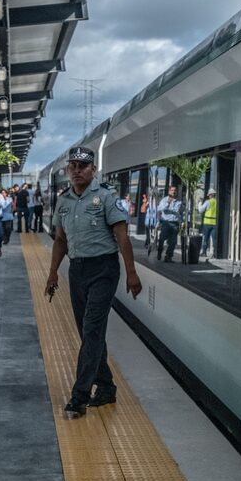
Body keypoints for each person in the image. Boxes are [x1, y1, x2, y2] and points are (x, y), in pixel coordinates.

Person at [45, 146, 143, 418]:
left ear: (93, 170)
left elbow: (122, 237)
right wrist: (53, 273)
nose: (76, 170)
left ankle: (79, 396)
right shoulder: (64, 201)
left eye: (82, 166)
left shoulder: (107, 198)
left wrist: (131, 272)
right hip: (77, 271)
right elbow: (61, 241)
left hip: (104, 270)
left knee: (91, 331)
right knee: (89, 333)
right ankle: (107, 387)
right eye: (72, 166)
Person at [156, 185, 183, 262]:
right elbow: (159, 209)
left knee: (173, 242)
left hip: (175, 224)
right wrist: (168, 203)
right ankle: (159, 252)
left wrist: (182, 222)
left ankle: (168, 257)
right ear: (169, 191)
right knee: (161, 239)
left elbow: (181, 212)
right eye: (172, 190)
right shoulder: (164, 200)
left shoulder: (179, 202)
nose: (173, 192)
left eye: (175, 190)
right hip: (166, 223)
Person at [198, 188, 217, 260]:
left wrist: (199, 203)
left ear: (210, 195)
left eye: (209, 195)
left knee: (205, 238)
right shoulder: (217, 202)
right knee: (214, 239)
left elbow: (200, 210)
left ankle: (204, 252)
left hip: (207, 223)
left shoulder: (207, 202)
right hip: (215, 223)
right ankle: (215, 254)